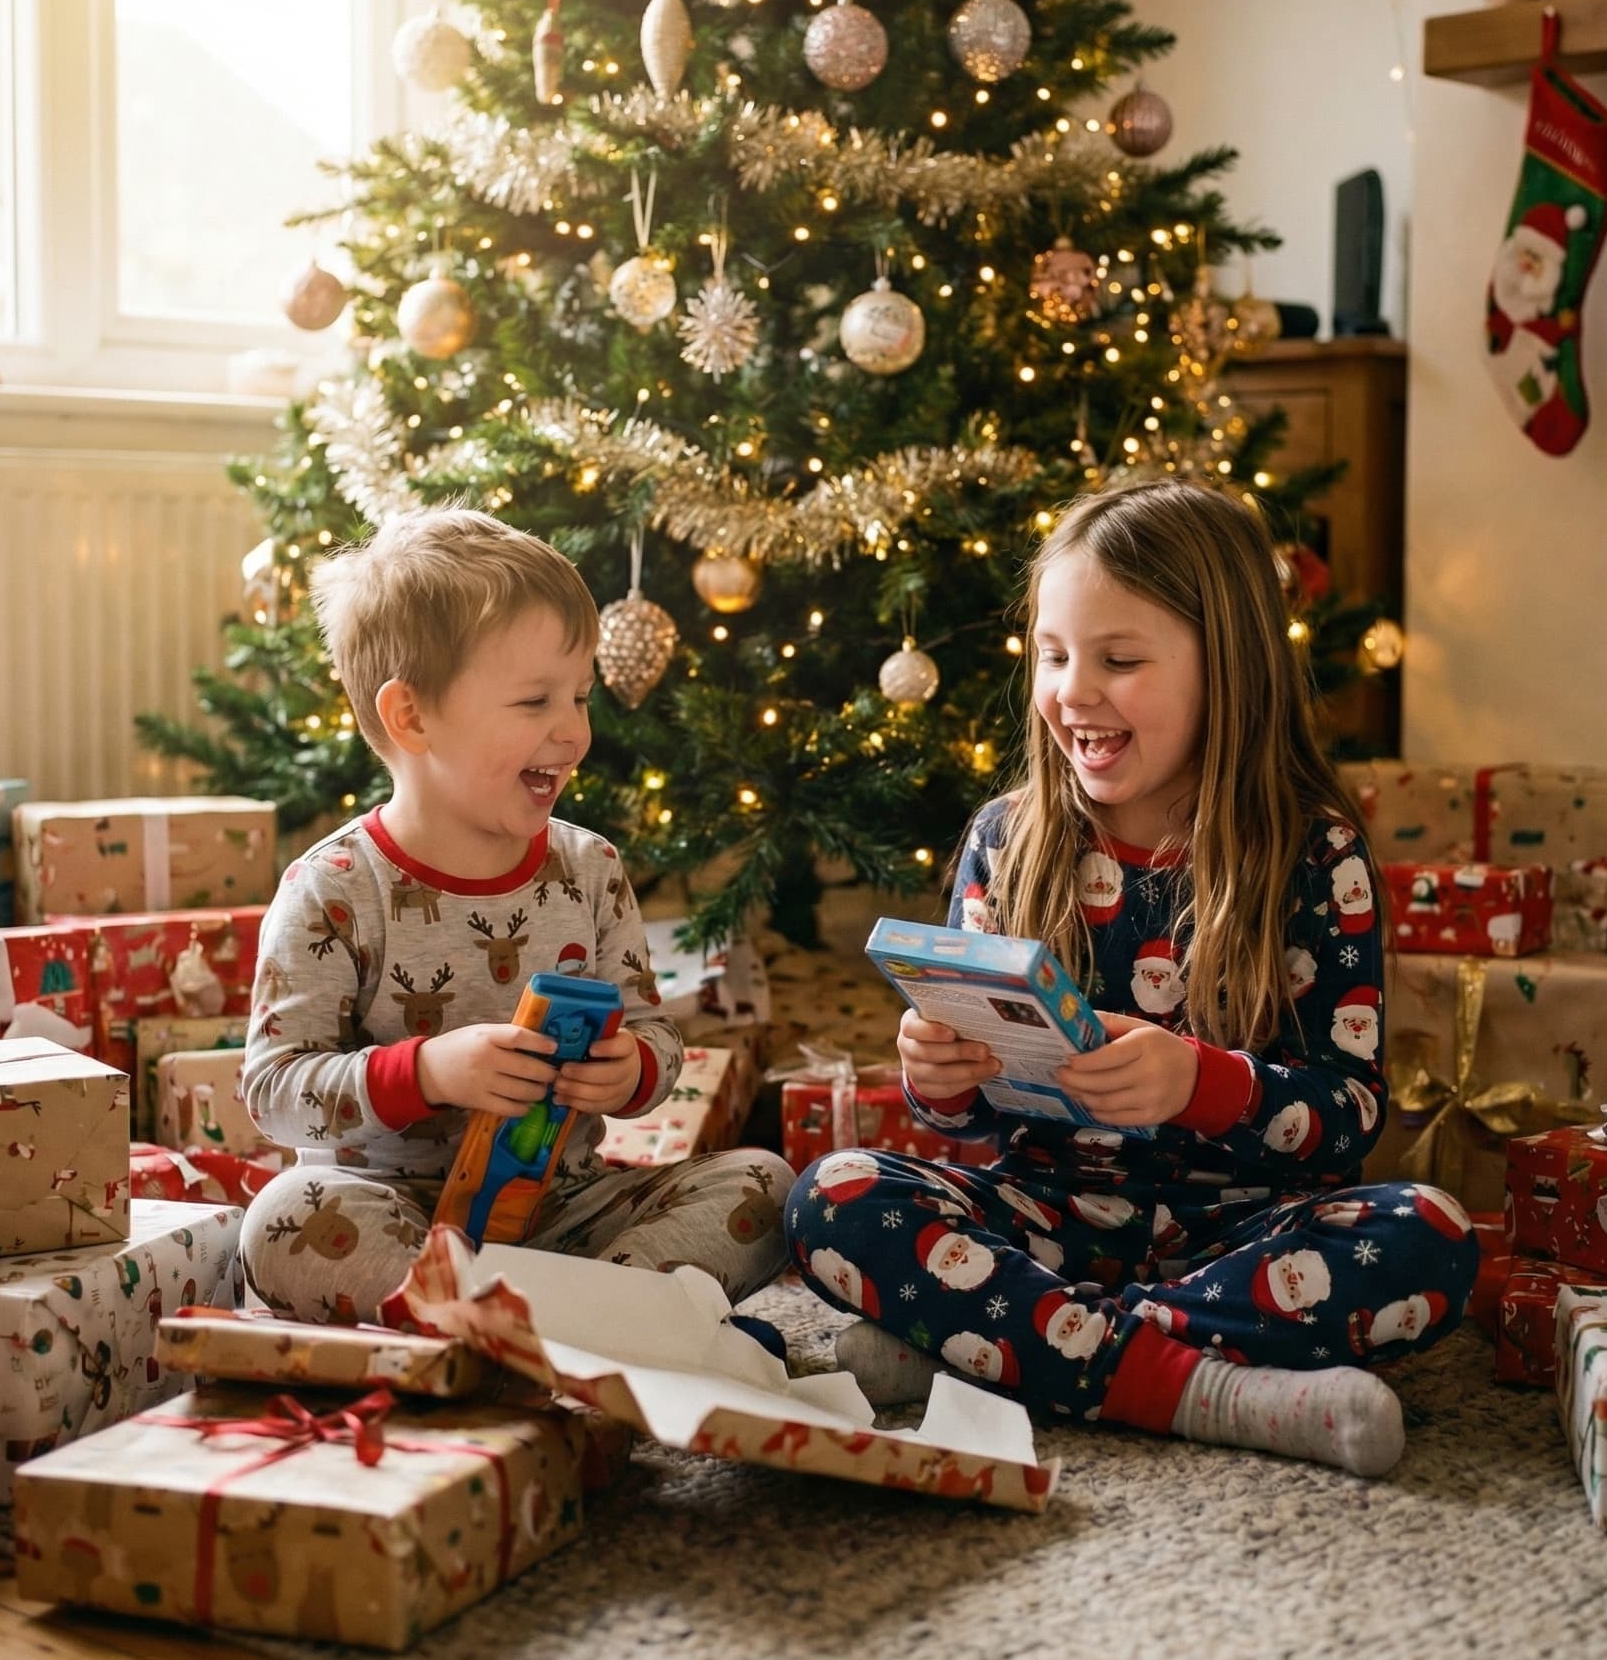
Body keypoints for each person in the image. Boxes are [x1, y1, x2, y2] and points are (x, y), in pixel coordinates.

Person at [785, 481, 1477, 1475]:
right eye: (1053, 654)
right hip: (1043, 1216)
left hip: (1240, 1232)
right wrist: (938, 1081)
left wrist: (1200, 1082)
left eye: (1118, 659)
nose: (1072, 689)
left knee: (1429, 1236)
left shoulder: (1312, 855)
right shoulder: (1005, 839)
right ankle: (1200, 1387)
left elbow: (1351, 1114)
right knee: (832, 1195)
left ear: (1223, 669)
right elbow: (972, 1130)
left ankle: (1005, 1347)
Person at [239, 507, 792, 1325]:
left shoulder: (590, 868)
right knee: (285, 1220)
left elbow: (659, 1039)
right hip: (392, 1211)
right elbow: (273, 1089)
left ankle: (536, 1326)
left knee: (765, 1189)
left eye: (580, 696)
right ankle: (554, 1328)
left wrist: (630, 1069)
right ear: (412, 717)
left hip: (567, 1213)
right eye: (535, 701)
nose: (573, 731)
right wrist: (427, 1072)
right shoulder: (334, 888)